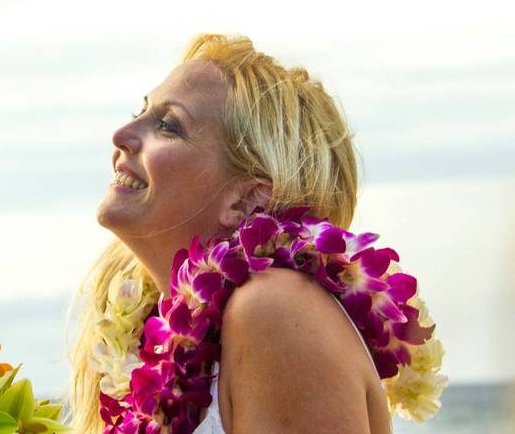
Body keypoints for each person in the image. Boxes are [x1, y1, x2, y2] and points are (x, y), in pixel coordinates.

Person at [71, 34, 394, 433]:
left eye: (168, 125)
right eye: (140, 111)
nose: (122, 134)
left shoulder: (275, 308)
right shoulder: (153, 337)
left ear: (243, 201)